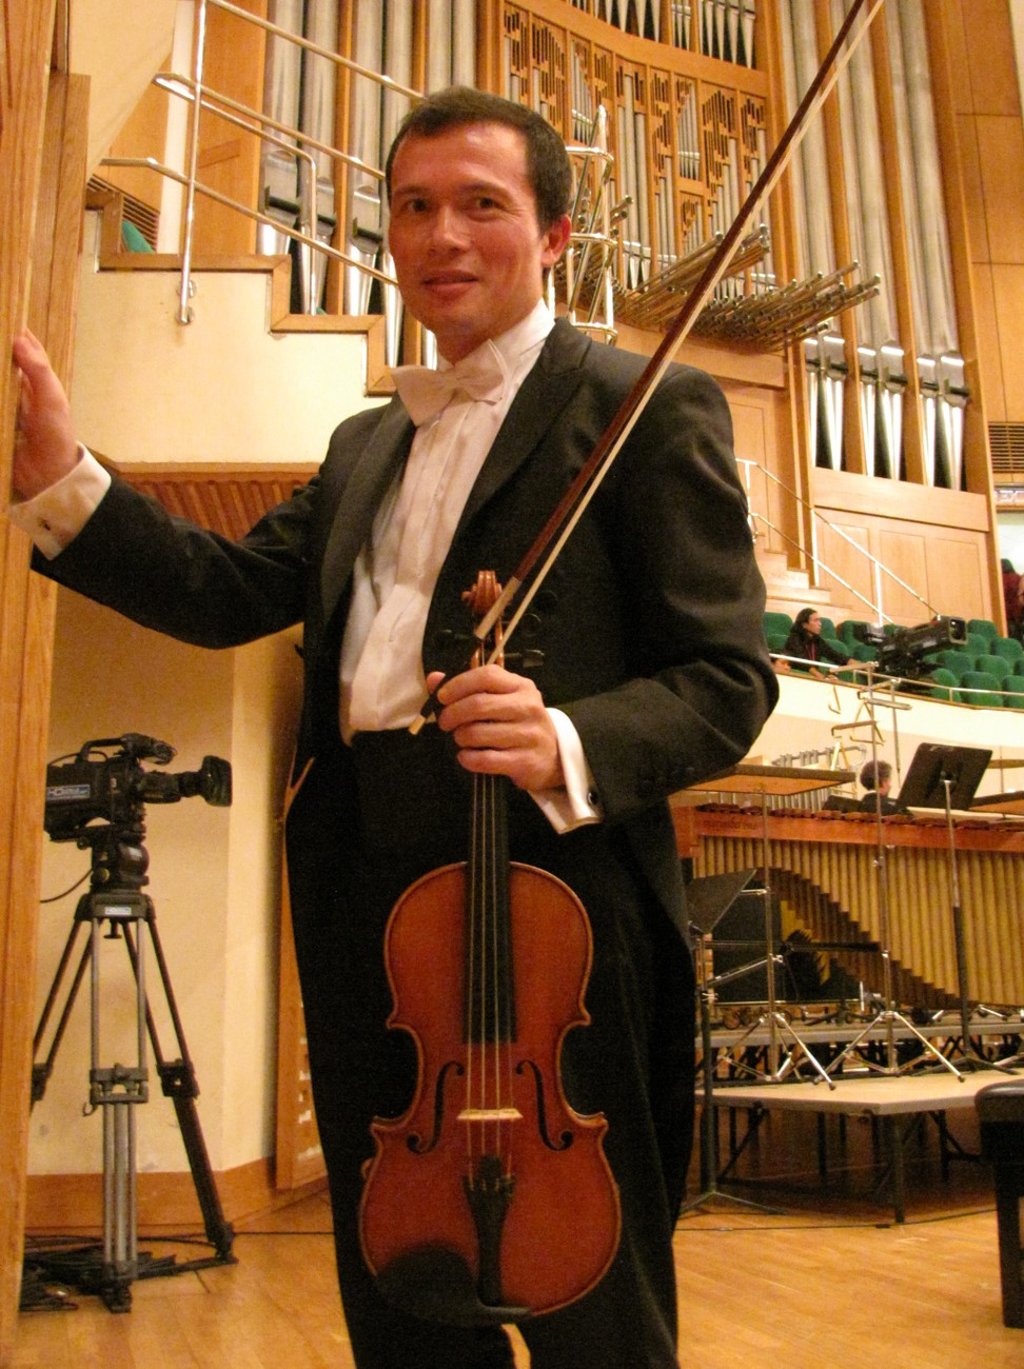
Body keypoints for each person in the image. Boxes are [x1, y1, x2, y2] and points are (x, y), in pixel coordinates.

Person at [9, 88, 777, 1369]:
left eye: (483, 203)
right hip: (365, 878)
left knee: (594, 1286)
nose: (442, 236)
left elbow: (723, 678)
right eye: (413, 206)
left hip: (555, 901)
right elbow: (229, 592)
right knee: (400, 1274)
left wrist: (568, 737)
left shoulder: (644, 407)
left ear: (554, 235)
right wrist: (65, 489)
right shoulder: (367, 439)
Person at [777, 606, 850, 678]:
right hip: (799, 676)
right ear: (804, 624)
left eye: (819, 620)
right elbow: (802, 661)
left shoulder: (817, 640)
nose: (820, 624)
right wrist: (820, 676)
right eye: (816, 620)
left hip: (813, 678)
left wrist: (850, 661)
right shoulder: (794, 638)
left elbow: (833, 654)